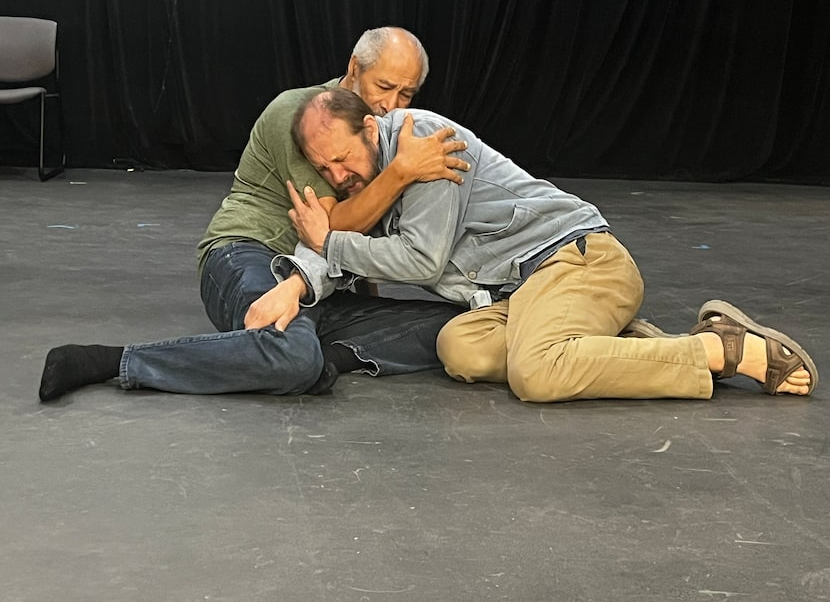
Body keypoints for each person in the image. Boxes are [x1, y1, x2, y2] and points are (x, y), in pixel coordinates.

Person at [269, 87, 818, 402]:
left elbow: (421, 258)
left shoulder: (424, 142)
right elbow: (341, 234)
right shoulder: (376, 173)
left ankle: (719, 348)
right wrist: (300, 279)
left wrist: (333, 245)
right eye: (324, 168)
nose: (338, 175)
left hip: (576, 260)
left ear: (370, 126)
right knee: (461, 349)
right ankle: (610, 341)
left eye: (342, 159)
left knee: (537, 374)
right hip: (522, 293)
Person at [38, 27, 469, 402]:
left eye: (406, 94)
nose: (391, 105)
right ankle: (111, 361)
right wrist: (402, 172)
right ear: (354, 68)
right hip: (247, 254)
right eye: (384, 86)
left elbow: (352, 245)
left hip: (319, 285)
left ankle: (333, 357)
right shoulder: (306, 116)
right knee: (292, 357)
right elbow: (332, 225)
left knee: (455, 328)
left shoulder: (384, 135)